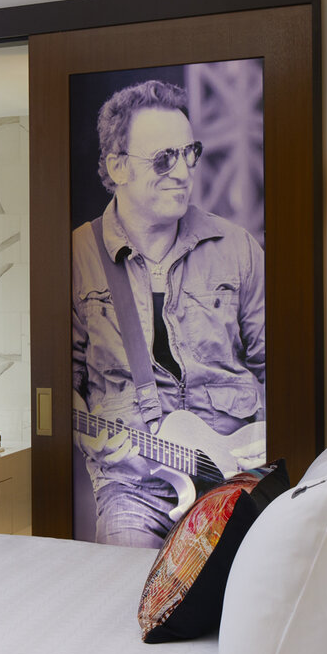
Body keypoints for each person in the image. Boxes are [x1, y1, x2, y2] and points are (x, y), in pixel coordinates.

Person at [71, 78, 265, 547]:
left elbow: (278, 370)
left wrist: (264, 443)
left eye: (189, 153)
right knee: (124, 580)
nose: (183, 172)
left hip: (234, 481)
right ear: (118, 166)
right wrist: (85, 433)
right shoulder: (77, 255)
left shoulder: (237, 247)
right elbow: (60, 385)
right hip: (133, 487)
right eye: (163, 159)